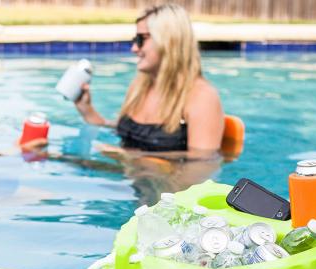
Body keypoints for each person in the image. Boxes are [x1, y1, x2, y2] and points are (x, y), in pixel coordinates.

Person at [74, 3, 224, 161]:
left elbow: (202, 162)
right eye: (134, 39)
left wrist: (136, 157)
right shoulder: (140, 86)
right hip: (131, 176)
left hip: (168, 183)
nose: (134, 48)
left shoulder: (201, 97)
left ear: (170, 41)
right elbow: (133, 131)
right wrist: (87, 110)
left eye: (141, 39)